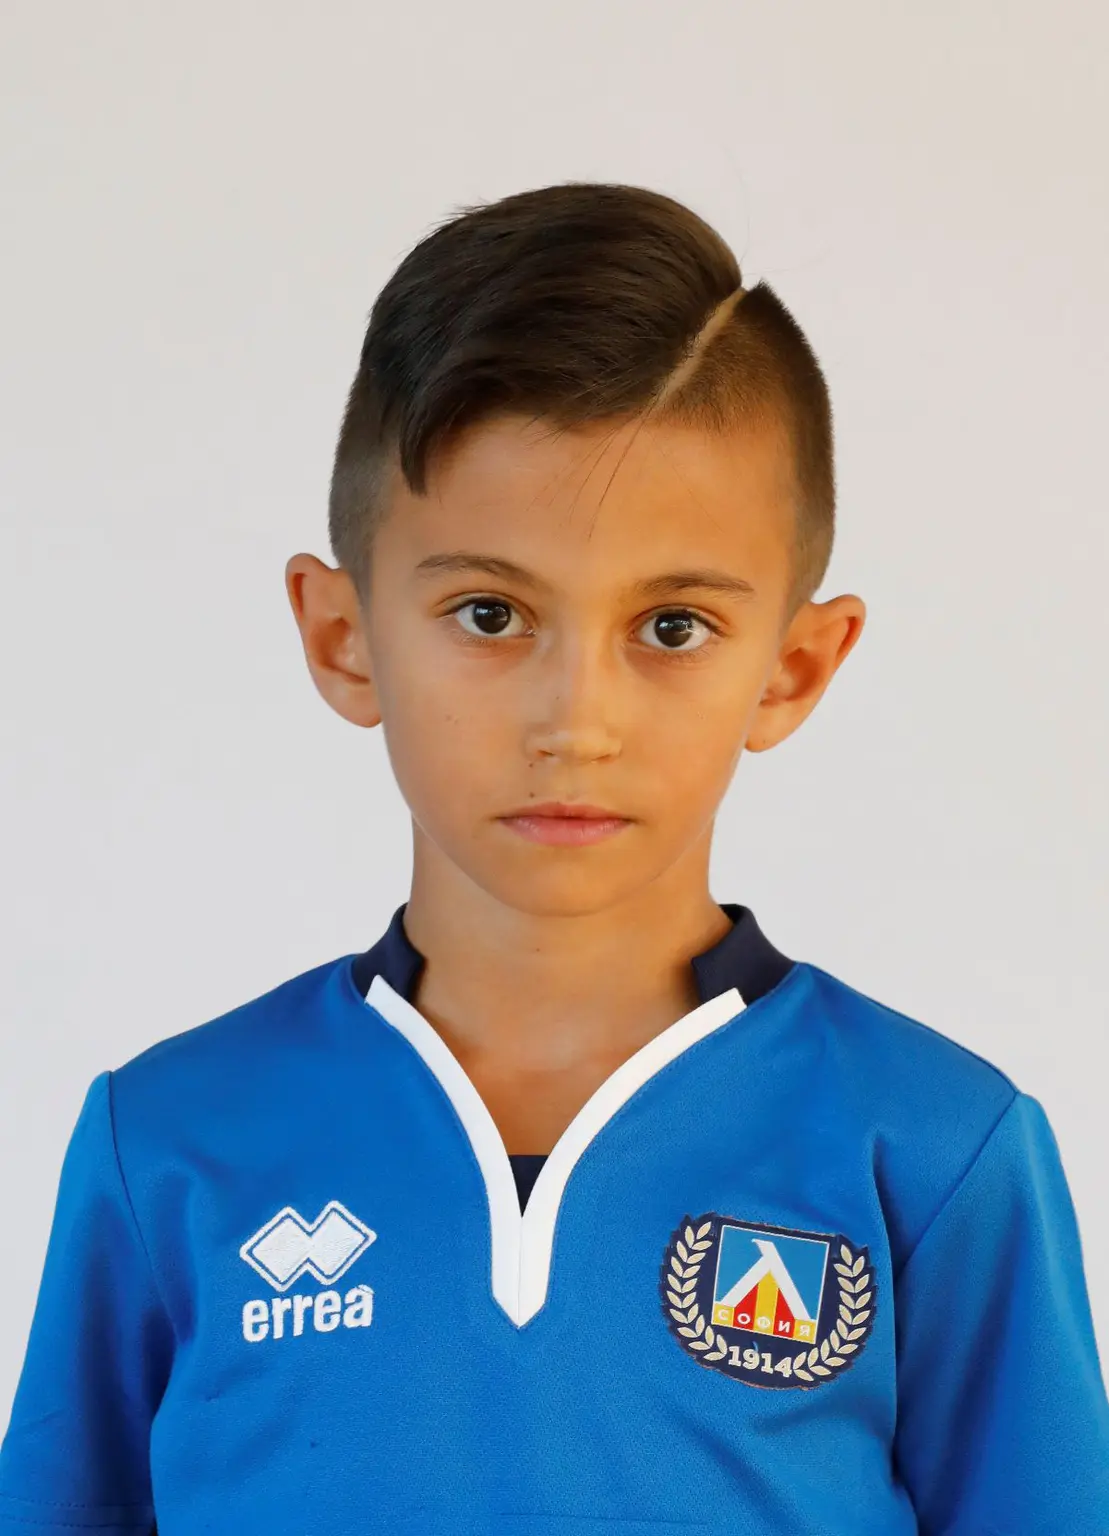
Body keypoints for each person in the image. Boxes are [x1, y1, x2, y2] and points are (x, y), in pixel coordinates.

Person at [1, 181, 1107, 1536]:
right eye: (490, 613)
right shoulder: (168, 1140)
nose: (575, 721)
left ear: (794, 667)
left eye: (673, 627)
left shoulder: (937, 1150)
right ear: (345, 637)